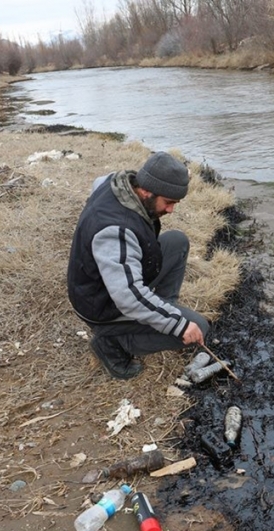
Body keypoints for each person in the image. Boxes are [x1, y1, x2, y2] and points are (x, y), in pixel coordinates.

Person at [67, 151, 210, 379]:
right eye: (169, 202)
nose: (171, 210)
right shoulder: (116, 231)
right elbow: (128, 296)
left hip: (111, 282)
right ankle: (111, 343)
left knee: (176, 242)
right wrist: (178, 325)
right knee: (197, 326)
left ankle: (160, 309)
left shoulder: (117, 182)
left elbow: (97, 183)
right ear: (146, 191)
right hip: (102, 305)